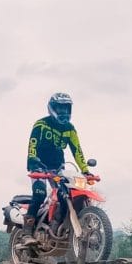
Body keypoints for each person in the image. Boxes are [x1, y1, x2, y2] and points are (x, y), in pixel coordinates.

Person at [25, 92, 94, 226]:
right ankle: (27, 231)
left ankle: (59, 223)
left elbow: (77, 150)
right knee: (39, 194)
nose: (64, 111)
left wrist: (85, 170)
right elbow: (32, 144)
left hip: (58, 168)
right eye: (60, 108)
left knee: (66, 194)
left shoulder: (70, 129)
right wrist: (33, 160)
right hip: (39, 166)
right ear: (52, 108)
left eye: (66, 108)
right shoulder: (41, 124)